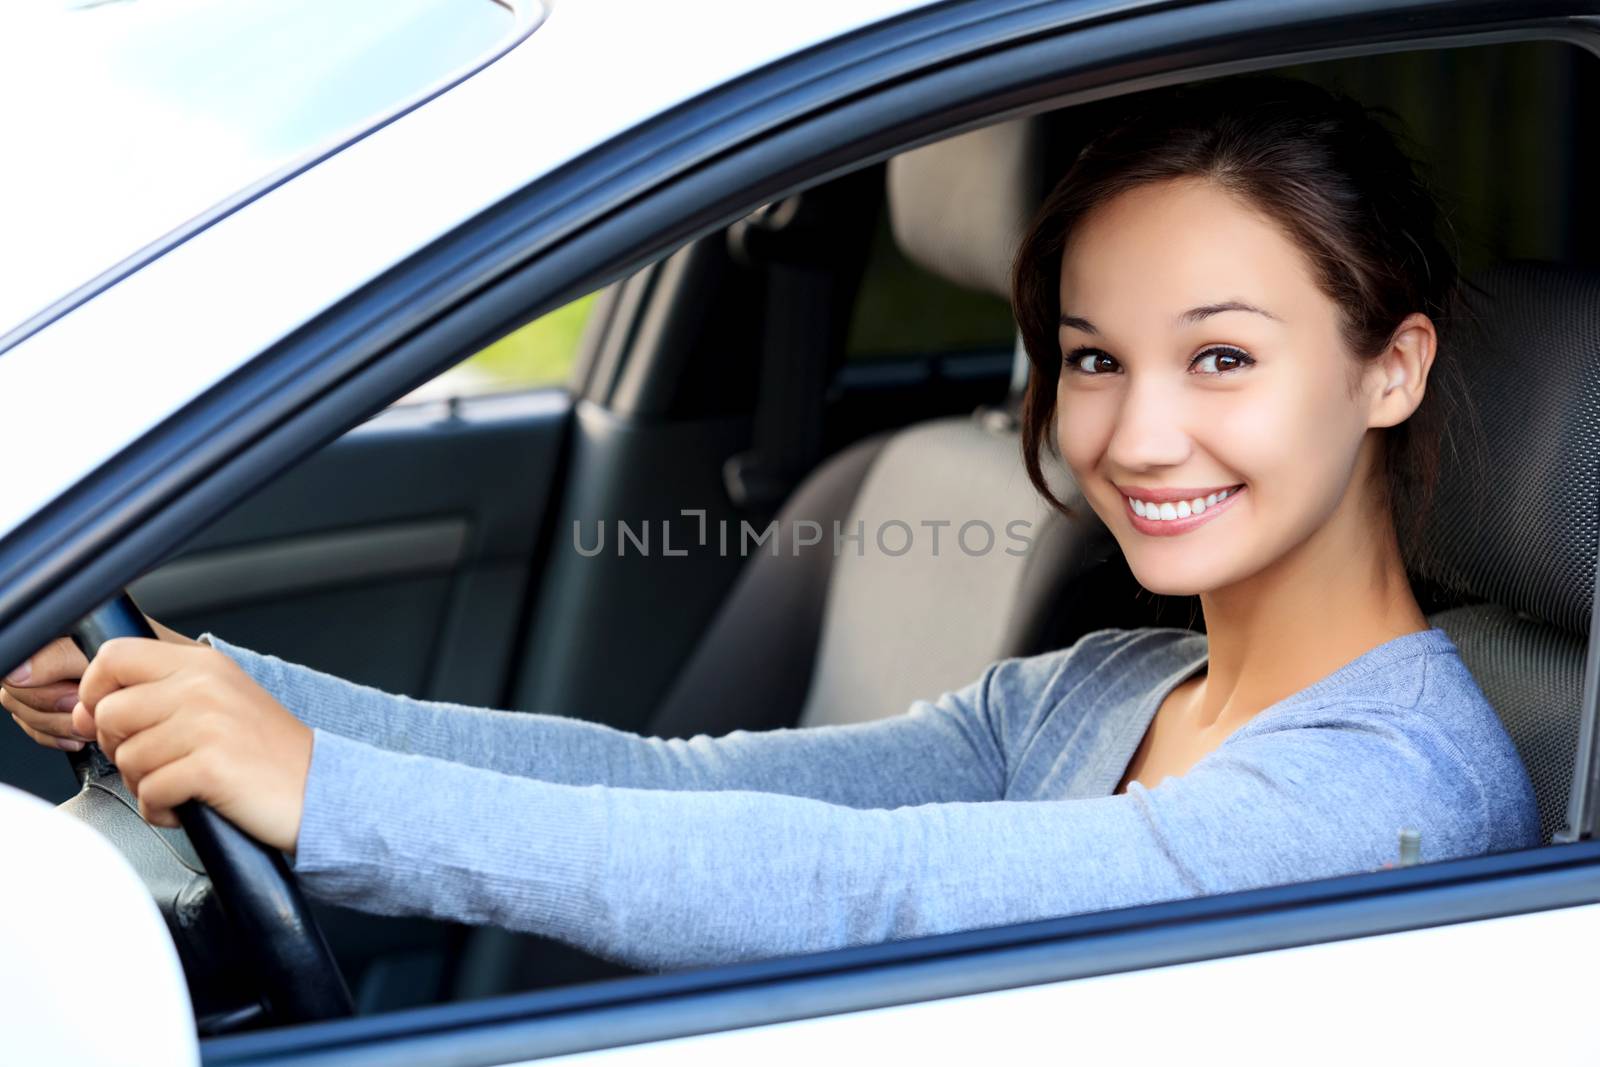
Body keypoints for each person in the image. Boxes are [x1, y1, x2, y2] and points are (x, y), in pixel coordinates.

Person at [3, 75, 1539, 971]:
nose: (1134, 436)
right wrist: (228, 703)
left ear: (1389, 366)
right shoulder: (1100, 691)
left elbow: (871, 895)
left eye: (1220, 356)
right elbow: (677, 789)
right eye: (1089, 358)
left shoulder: (1382, 800)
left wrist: (325, 796)